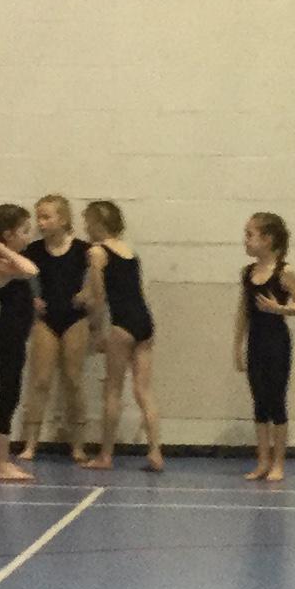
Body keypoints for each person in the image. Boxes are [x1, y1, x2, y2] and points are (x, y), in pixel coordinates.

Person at [12, 194, 95, 470]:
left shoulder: (83, 250)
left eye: (47, 217)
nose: (41, 222)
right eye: (39, 217)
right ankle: (30, 443)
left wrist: (88, 294)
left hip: (74, 318)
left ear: (63, 219)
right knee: (40, 380)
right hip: (46, 320)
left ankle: (78, 444)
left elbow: (97, 280)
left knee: (73, 380)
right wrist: (31, 299)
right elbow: (24, 281)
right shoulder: (34, 251)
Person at [84, 199, 163, 473]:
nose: (86, 229)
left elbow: (98, 297)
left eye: (88, 223)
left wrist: (96, 331)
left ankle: (105, 455)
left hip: (123, 324)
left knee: (113, 390)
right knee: (144, 390)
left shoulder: (97, 252)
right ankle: (155, 451)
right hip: (144, 321)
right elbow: (127, 287)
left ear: (97, 224)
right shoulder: (129, 251)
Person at [234, 212, 295, 485]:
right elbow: (243, 311)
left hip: (277, 342)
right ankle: (262, 461)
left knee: (276, 401)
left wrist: (279, 309)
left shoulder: (284, 273)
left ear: (268, 239)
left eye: (250, 235)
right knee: (259, 403)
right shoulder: (247, 273)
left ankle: (278, 463)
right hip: (255, 341)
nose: (245, 240)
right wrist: (237, 345)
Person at [0, 203, 40, 484]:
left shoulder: (9, 261)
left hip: (16, 334)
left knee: (12, 395)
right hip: (8, 334)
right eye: (24, 231)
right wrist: (3, 250)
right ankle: (0, 463)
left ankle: (3, 460)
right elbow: (31, 270)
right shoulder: (1, 263)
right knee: (8, 395)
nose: (28, 237)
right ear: (7, 235)